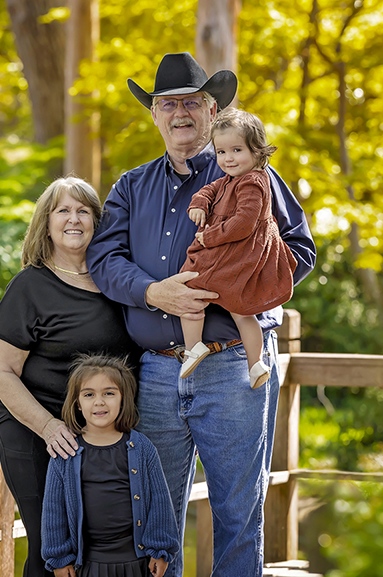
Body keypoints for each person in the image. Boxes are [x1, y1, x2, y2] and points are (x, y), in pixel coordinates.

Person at [87, 52, 316, 577]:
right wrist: (153, 293)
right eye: (168, 104)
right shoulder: (130, 186)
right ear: (155, 115)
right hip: (158, 370)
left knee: (238, 513)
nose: (180, 113)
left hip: (234, 366)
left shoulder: (250, 173)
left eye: (192, 102)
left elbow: (301, 251)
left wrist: (238, 286)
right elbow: (103, 259)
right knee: (155, 516)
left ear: (213, 111)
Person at [0, 176, 140, 577]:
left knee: (101, 543)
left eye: (84, 210)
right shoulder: (31, 285)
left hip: (99, 429)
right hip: (35, 428)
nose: (74, 219)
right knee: (53, 546)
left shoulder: (116, 280)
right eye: (63, 211)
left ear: (96, 221)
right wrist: (48, 425)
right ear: (47, 222)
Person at [178, 108, 298, 389]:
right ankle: (251, 363)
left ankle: (200, 348)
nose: (228, 158)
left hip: (235, 253)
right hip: (232, 254)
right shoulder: (232, 179)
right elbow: (210, 190)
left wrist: (211, 237)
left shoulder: (254, 182)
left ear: (257, 151)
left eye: (236, 150)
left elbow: (244, 223)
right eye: (221, 152)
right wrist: (198, 202)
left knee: (192, 291)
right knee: (238, 310)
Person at [41, 354, 180, 577]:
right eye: (89, 394)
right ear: (77, 403)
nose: (99, 401)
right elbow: (53, 511)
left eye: (109, 393)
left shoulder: (142, 447)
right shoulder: (65, 452)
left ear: (123, 398)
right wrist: (59, 559)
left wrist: (160, 549)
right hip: (89, 566)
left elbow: (160, 501)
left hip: (137, 564)